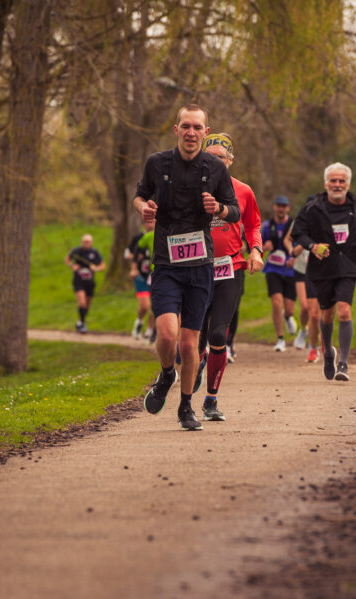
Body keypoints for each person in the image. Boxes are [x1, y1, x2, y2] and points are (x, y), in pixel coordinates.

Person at [132, 104, 240, 431]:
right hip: (166, 262)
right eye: (186, 126)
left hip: (200, 265)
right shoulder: (157, 163)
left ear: (205, 133)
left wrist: (219, 208)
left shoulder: (215, 168)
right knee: (166, 334)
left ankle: (185, 406)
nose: (191, 132)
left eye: (197, 127)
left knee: (190, 344)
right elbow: (138, 196)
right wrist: (144, 209)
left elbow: (235, 211)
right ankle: (167, 374)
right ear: (176, 129)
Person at [194, 132, 263, 421]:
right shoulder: (192, 189)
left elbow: (253, 224)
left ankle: (211, 400)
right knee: (194, 339)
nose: (215, 162)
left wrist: (256, 251)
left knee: (218, 334)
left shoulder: (243, 191)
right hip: (196, 268)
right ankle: (194, 366)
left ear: (230, 161)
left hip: (231, 268)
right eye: (210, 157)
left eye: (220, 158)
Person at [291, 162, 356, 381]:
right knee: (327, 314)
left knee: (345, 310)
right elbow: (299, 232)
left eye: (341, 181)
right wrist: (313, 246)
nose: (337, 185)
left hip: (348, 265)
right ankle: (328, 352)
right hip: (323, 267)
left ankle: (343, 363)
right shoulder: (313, 208)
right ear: (326, 183)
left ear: (348, 183)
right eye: (333, 181)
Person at [284, 205, 322, 362]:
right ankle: (303, 330)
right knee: (305, 307)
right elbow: (288, 239)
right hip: (301, 268)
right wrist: (294, 251)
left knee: (317, 312)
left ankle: (319, 343)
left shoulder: (324, 221)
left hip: (319, 270)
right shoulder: (300, 221)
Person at [261, 195, 299, 352]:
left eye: (284, 206)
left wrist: (294, 258)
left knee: (289, 309)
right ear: (274, 207)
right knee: (276, 303)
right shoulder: (267, 226)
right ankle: (280, 339)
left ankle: (288, 316)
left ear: (288, 208)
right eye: (278, 206)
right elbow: (255, 246)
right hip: (273, 269)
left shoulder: (294, 225)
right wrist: (264, 247)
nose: (281, 209)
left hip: (290, 270)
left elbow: (300, 244)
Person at [64, 233, 105, 333]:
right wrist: (72, 266)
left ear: (91, 242)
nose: (86, 243)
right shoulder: (76, 251)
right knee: (81, 302)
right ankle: (82, 323)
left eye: (88, 242)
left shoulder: (95, 253)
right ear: (82, 242)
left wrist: (96, 268)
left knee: (87, 304)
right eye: (84, 241)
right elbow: (67, 259)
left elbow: (102, 265)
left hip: (90, 282)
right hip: (79, 282)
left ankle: (80, 322)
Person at [126, 221, 155, 340]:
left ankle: (149, 330)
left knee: (155, 307)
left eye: (153, 222)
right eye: (147, 222)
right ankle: (139, 322)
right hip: (142, 276)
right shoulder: (139, 238)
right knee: (145, 306)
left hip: (155, 275)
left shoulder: (160, 235)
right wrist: (134, 267)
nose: (150, 224)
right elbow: (127, 253)